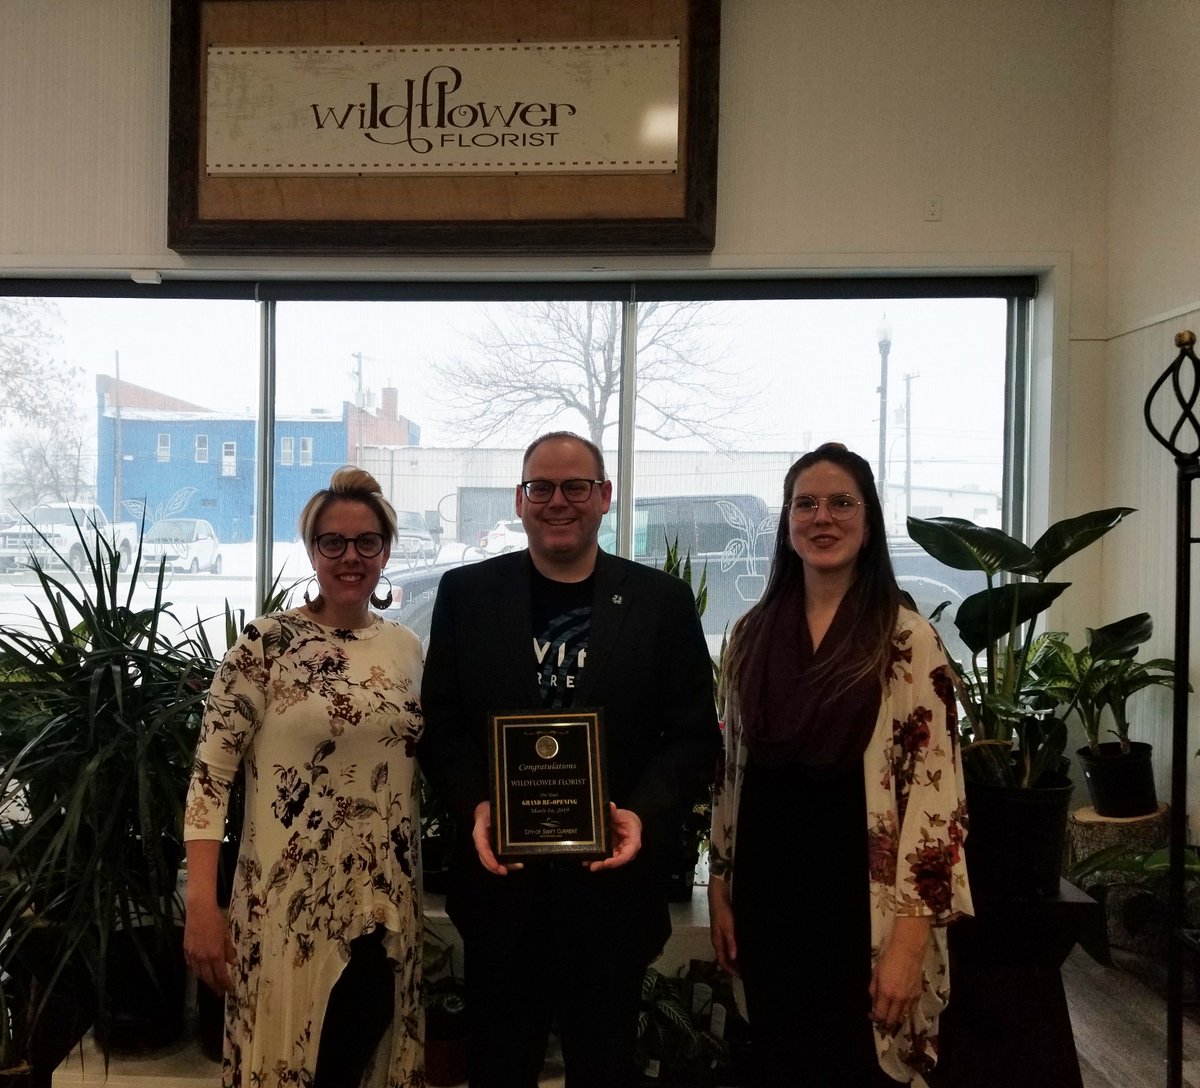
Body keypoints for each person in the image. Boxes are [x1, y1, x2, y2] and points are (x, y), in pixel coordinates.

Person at [419, 431, 720, 1088]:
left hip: (612, 900)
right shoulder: (467, 596)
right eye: (542, 488)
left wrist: (641, 813)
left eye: (575, 487)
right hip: (502, 897)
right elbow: (441, 727)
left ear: (604, 497)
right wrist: (476, 804)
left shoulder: (659, 603)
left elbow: (695, 737)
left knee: (606, 1070)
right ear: (520, 500)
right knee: (498, 1070)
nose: (559, 502)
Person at [708, 442, 972, 1087]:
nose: (822, 518)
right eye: (806, 504)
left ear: (869, 518)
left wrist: (910, 940)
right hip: (768, 903)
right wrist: (720, 886)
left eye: (841, 502)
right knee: (778, 1063)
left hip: (865, 911)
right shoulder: (749, 635)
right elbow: (729, 774)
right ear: (788, 521)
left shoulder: (905, 638)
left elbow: (940, 801)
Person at [183, 466, 425, 1088]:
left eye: (366, 541)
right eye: (333, 542)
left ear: (386, 550)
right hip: (285, 906)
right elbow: (210, 780)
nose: (351, 557)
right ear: (313, 550)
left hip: (384, 905)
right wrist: (202, 907)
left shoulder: (406, 650)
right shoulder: (266, 645)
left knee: (362, 1063)